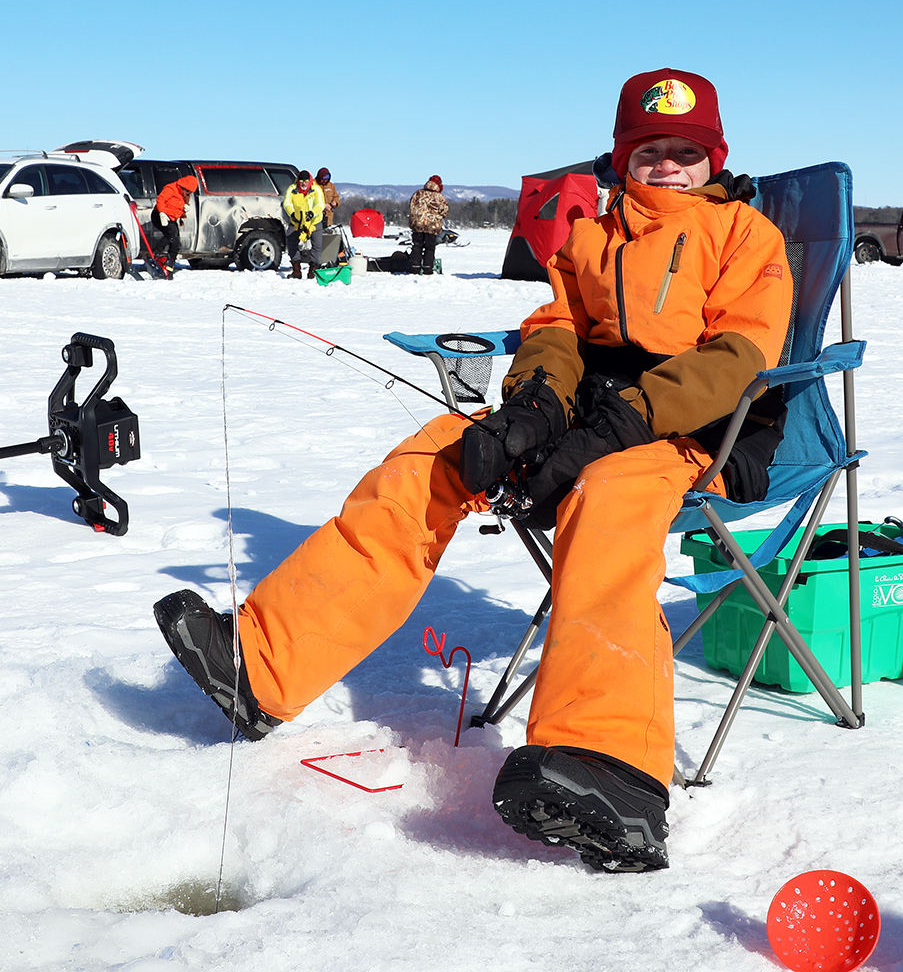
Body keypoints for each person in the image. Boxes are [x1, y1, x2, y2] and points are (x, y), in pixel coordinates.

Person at [153, 69, 788, 873]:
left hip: (699, 435)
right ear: (624, 156)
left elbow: (737, 358)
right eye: (650, 150)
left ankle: (612, 769)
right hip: (586, 420)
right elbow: (556, 327)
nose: (667, 167)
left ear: (712, 160)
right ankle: (263, 664)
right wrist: (531, 412)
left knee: (608, 495)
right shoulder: (592, 232)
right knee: (437, 451)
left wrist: (617, 427)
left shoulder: (746, 237)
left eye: (685, 153)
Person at [151, 173, 199, 272]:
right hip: (159, 215)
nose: (188, 193)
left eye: (190, 192)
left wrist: (184, 209)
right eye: (187, 191)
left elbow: (176, 205)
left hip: (171, 218)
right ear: (183, 186)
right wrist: (162, 214)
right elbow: (160, 200)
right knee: (171, 233)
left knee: (176, 242)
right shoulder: (171, 189)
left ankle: (170, 262)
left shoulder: (184, 194)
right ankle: (155, 254)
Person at [282, 170, 325, 279]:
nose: (304, 183)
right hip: (297, 222)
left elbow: (320, 204)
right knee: (291, 242)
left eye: (306, 181)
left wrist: (312, 213)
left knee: (317, 246)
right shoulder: (292, 189)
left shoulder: (316, 189)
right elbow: (287, 203)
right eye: (301, 180)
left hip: (314, 222)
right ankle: (296, 270)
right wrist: (292, 214)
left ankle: (313, 270)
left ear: (309, 180)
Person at [406, 175, 448, 275]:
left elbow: (411, 206)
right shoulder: (439, 197)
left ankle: (414, 268)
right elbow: (445, 211)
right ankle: (427, 269)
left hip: (418, 225)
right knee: (430, 247)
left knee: (417, 246)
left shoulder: (418, 193)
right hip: (432, 226)